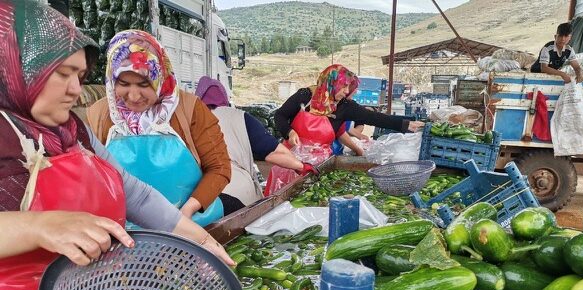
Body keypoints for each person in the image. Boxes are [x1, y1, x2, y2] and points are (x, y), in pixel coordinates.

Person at [0, 0, 233, 290]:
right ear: (14, 65)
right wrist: (40, 227)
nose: (75, 89)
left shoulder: (73, 130)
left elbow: (135, 195)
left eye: (80, 75)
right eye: (62, 73)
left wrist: (198, 238)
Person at [87, 30, 232, 220]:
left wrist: (187, 212)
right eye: (123, 83)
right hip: (126, 230)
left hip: (192, 223)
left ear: (159, 78)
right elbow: (90, 175)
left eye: (144, 84)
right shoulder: (101, 114)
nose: (133, 96)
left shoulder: (189, 109)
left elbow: (219, 168)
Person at [194, 76, 318, 211]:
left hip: (199, 197)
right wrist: (300, 166)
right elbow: (273, 152)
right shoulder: (238, 117)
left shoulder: (190, 119)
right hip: (236, 195)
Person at [274, 64, 423, 155]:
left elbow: (374, 118)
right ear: (331, 83)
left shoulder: (344, 106)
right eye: (343, 86)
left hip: (319, 161)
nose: (346, 91)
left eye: (348, 87)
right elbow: (280, 115)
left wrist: (405, 125)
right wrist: (289, 132)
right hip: (292, 157)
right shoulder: (305, 96)